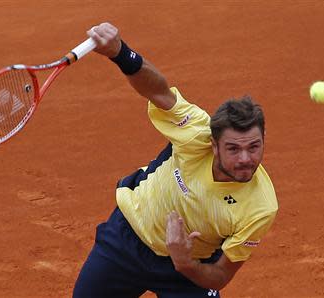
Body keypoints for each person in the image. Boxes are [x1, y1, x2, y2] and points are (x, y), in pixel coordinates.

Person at [72, 22, 278, 298]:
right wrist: (120, 52)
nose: (245, 159)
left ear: (264, 137)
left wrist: (185, 263)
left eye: (254, 147)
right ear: (213, 145)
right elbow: (158, 91)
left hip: (188, 266)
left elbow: (220, 275)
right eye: (233, 149)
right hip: (128, 236)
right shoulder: (196, 133)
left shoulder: (260, 207)